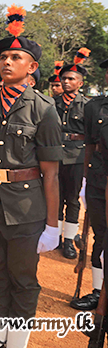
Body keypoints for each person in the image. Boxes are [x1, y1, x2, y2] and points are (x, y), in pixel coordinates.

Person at [0, 6, 62, 348]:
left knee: (23, 279)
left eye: (15, 57)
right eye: (3, 57)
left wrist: (52, 225)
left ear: (32, 67)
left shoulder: (44, 109)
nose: (6, 62)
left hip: (27, 209)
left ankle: (17, 343)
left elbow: (51, 174)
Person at [72, 58, 108, 311]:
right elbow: (90, 146)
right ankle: (98, 291)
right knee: (101, 236)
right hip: (98, 182)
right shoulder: (95, 107)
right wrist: (85, 179)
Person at [54, 49, 90, 259]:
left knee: (73, 199)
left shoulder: (87, 106)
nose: (66, 82)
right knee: (55, 197)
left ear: (80, 83)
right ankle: (55, 237)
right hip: (56, 154)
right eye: (64, 78)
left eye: (71, 79)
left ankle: (69, 240)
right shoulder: (53, 104)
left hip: (77, 156)